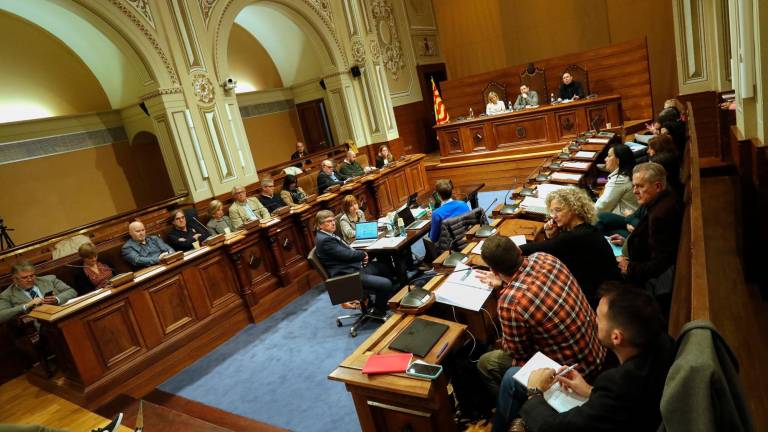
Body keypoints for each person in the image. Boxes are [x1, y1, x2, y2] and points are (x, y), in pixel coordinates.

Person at [505, 283, 675, 432]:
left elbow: (553, 428)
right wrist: (589, 390)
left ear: (616, 337)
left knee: (511, 378)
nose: (594, 320)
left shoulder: (618, 384)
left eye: (599, 318)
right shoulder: (664, 342)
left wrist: (534, 392)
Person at [474, 236, 606, 400]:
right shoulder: (545, 258)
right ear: (519, 251)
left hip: (573, 374)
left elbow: (517, 352)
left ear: (494, 272)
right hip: (599, 351)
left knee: (486, 362)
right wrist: (504, 285)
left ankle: (518, 408)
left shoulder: (509, 303)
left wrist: (503, 291)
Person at [519, 187, 621, 308]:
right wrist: (551, 237)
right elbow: (555, 247)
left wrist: (510, 248)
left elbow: (537, 248)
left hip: (602, 301)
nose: (554, 216)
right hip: (607, 290)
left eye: (558, 210)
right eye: (552, 211)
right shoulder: (586, 229)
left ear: (574, 209)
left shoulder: (575, 237)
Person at [610, 162, 682, 316]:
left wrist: (629, 268)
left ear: (657, 186)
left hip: (642, 281)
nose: (635, 191)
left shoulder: (661, 215)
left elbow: (660, 264)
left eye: (640, 186)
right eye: (634, 186)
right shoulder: (663, 199)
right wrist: (627, 241)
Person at [314, 210, 394, 316]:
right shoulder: (325, 241)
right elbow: (347, 255)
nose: (333, 223)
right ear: (320, 225)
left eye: (333, 220)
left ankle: (379, 302)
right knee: (386, 284)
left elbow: (345, 253)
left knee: (383, 267)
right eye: (329, 221)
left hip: (353, 268)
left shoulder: (327, 235)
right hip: (349, 276)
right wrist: (363, 254)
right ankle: (378, 311)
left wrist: (360, 255)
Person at [0, 262, 78, 324]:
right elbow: (1, 316)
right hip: (40, 326)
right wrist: (26, 306)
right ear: (15, 279)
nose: (30, 279)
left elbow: (72, 291)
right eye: (25, 277)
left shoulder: (50, 279)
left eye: (32, 275)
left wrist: (57, 299)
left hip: (62, 316)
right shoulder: (7, 295)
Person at [595, 144, 639, 216]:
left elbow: (602, 206)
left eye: (609, 156)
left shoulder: (620, 179)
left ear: (618, 160)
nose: (605, 159)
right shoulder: (629, 171)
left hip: (624, 218)